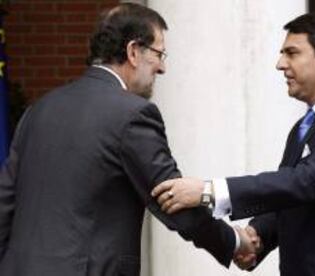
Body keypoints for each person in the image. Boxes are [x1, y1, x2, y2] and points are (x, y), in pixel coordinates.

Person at [0, 3, 255, 276]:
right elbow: (172, 199)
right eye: (159, 54)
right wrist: (234, 241)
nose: (163, 67)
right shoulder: (133, 114)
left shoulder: (38, 110)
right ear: (133, 52)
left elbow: (4, 202)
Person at [152, 12, 315, 275]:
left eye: (292, 53)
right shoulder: (305, 125)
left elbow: (306, 181)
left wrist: (207, 191)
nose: (280, 64)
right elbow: (291, 195)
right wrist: (257, 235)